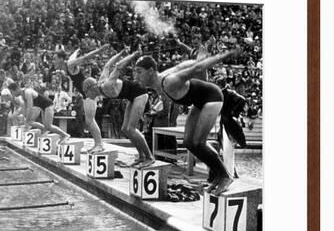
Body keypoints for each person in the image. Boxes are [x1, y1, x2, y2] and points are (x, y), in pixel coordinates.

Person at [132, 46, 244, 195]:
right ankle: (218, 174)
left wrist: (227, 54)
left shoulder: (168, 82)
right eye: (134, 72)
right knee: (189, 142)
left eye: (139, 72)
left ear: (151, 71)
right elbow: (184, 65)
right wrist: (200, 58)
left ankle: (224, 176)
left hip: (212, 98)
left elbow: (197, 67)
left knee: (198, 142)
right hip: (199, 102)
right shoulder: (161, 81)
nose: (135, 76)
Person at [82, 49, 155, 168]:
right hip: (131, 97)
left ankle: (149, 157)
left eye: (86, 93)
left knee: (131, 128)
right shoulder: (100, 82)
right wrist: (120, 53)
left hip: (140, 94)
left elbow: (118, 67)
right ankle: (141, 156)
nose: (87, 97)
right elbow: (107, 65)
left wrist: (133, 54)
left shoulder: (106, 85)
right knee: (125, 129)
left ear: (91, 89)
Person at [53, 44, 109, 152]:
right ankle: (98, 143)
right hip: (85, 91)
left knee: (90, 120)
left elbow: (85, 58)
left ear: (61, 59)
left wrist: (99, 50)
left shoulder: (70, 64)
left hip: (89, 90)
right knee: (89, 121)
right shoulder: (67, 64)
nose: (53, 62)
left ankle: (100, 144)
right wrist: (77, 50)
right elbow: (73, 56)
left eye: (55, 59)